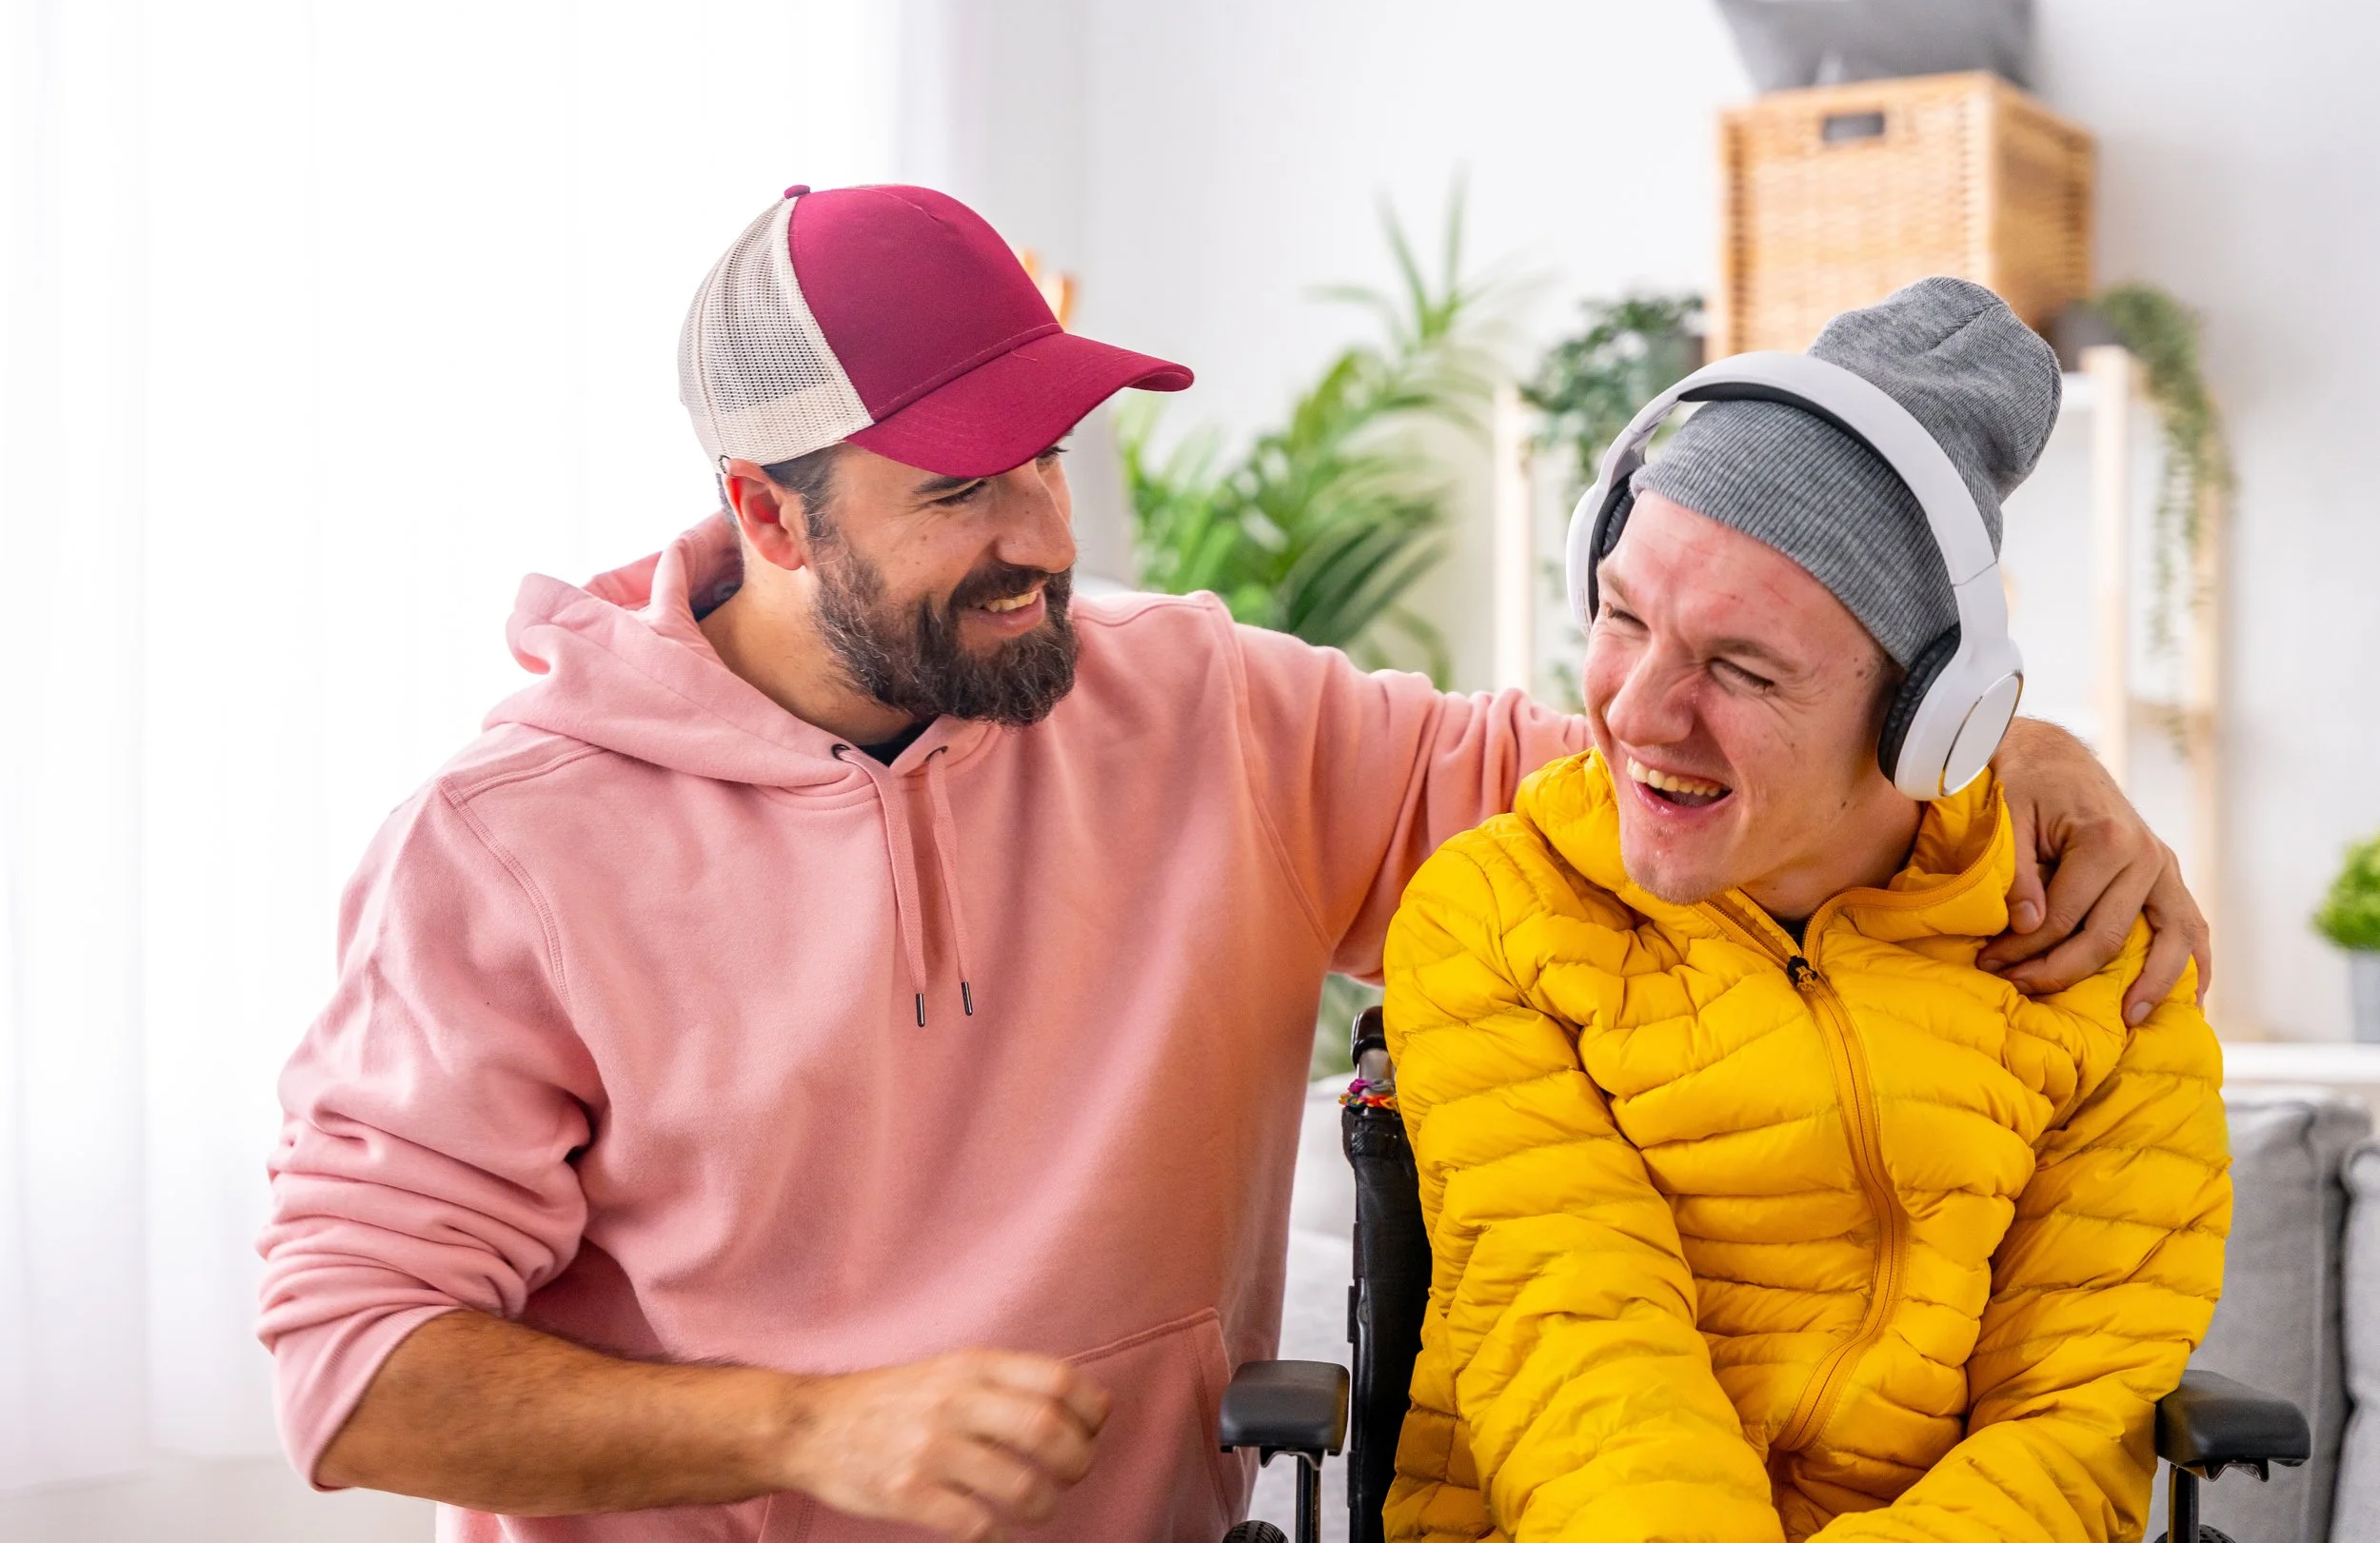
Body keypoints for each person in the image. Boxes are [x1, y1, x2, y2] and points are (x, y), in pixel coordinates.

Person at [258, 188, 2212, 1543]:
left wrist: (1995, 745)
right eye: (959, 489)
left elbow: (1673, 786)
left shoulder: (1205, 709)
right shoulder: (505, 849)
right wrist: (806, 1425)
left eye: (1051, 454)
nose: (1040, 532)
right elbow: (351, 1368)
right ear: (768, 509)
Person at [1380, 278, 2228, 1543]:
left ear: (1930, 718)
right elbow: (1581, 1362)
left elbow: (2070, 1425)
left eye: (1739, 666)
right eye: (1622, 617)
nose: (1634, 711)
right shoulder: (1492, 915)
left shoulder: (2107, 966)